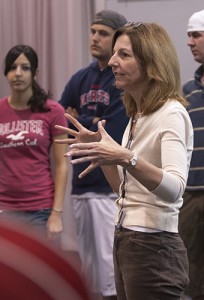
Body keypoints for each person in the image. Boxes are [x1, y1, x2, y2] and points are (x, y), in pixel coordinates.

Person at [56, 22, 194, 300]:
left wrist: (126, 157)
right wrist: (103, 154)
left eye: (124, 55)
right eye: (115, 54)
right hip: (128, 239)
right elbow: (123, 188)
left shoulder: (172, 113)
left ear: (151, 62)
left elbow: (174, 188)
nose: (112, 62)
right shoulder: (138, 115)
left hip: (154, 244)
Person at [59, 10, 128, 300]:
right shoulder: (80, 77)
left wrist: (83, 121)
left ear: (116, 39)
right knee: (87, 267)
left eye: (103, 33)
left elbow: (111, 129)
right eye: (93, 31)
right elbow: (61, 120)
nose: (95, 38)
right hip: (81, 182)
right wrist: (90, 121)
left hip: (106, 185)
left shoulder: (120, 80)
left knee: (107, 264)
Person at [0, 44, 68, 244]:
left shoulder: (53, 112)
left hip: (41, 211)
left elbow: (62, 166)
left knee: (40, 273)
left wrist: (56, 214)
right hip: (4, 210)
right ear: (6, 73)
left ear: (35, 73)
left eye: (25, 68)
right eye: (12, 68)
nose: (18, 73)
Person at [178, 9, 204, 300]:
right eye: (188, 35)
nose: (189, 42)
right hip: (189, 197)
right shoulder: (186, 92)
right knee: (190, 274)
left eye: (195, 35)